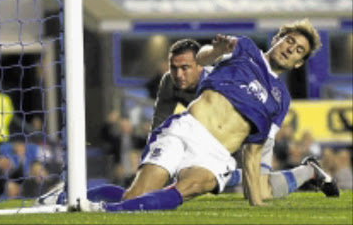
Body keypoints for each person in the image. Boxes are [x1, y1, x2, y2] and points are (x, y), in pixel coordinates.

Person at [40, 19, 339, 210]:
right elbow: (204, 56)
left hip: (218, 155)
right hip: (187, 130)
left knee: (200, 186)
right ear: (277, 38)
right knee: (135, 197)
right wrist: (215, 51)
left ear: (300, 63)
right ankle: (67, 195)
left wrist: (256, 201)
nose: (291, 49)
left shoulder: (281, 98)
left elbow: (258, 147)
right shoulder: (246, 49)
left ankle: (105, 212)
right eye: (289, 41)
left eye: (299, 49)